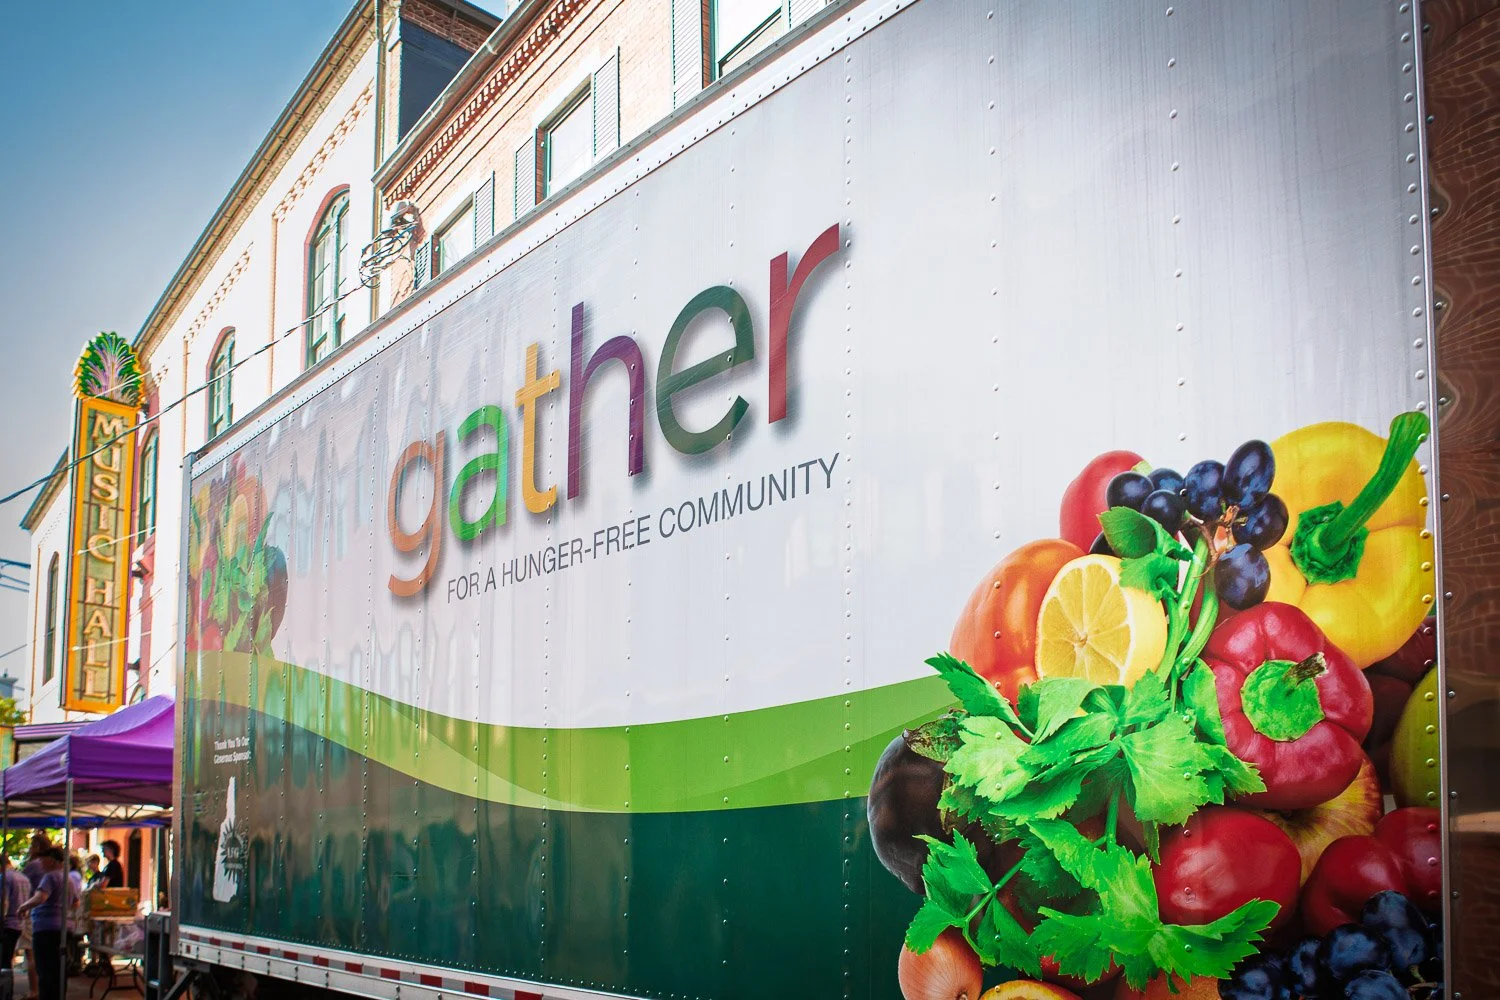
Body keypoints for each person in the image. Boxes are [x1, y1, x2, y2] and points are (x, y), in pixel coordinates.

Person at [16, 848, 66, 1000]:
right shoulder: (67, 878)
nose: (39, 863)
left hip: (46, 928)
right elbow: (75, 903)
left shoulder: (50, 877)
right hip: (60, 927)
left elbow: (40, 897)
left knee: (45, 969)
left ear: (51, 860)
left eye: (41, 859)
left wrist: (23, 906)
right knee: (57, 970)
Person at [0, 855, 29, 1000]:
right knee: (7, 959)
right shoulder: (23, 878)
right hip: (19, 923)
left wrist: (2, 920)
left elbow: (3, 902)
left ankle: (6, 992)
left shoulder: (4, 877)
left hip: (8, 923)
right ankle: (8, 991)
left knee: (4, 961)